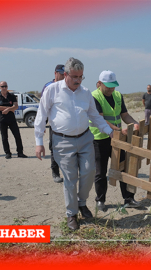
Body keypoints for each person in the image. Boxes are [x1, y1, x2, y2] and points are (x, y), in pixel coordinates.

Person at [34, 57, 114, 230]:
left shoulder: (85, 92)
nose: (78, 80)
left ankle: (82, 202)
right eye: (74, 76)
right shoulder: (52, 90)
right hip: (62, 141)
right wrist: (38, 141)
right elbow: (41, 116)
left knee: (89, 172)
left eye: (81, 77)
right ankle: (71, 214)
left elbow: (94, 116)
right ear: (65, 74)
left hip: (85, 139)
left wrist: (110, 132)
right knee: (70, 178)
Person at [91, 70, 141, 212]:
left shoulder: (118, 95)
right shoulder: (94, 97)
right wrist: (118, 131)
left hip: (117, 139)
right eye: (108, 86)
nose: (112, 89)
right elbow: (99, 119)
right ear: (100, 84)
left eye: (113, 86)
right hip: (100, 139)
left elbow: (125, 115)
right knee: (100, 172)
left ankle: (128, 198)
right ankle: (100, 200)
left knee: (124, 167)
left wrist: (135, 123)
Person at [41, 64, 65, 183]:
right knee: (54, 148)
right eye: (61, 73)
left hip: (66, 124)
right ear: (55, 73)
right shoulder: (48, 87)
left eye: (64, 73)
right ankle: (55, 173)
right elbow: (43, 108)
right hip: (54, 125)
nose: (63, 76)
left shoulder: (67, 86)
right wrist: (42, 124)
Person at [0, 82, 27, 159]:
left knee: (17, 136)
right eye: (2, 86)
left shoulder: (11, 96)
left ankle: (20, 152)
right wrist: (9, 108)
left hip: (11, 119)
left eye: (5, 86)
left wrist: (8, 109)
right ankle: (8, 153)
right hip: (2, 119)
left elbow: (16, 106)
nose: (4, 88)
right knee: (4, 137)